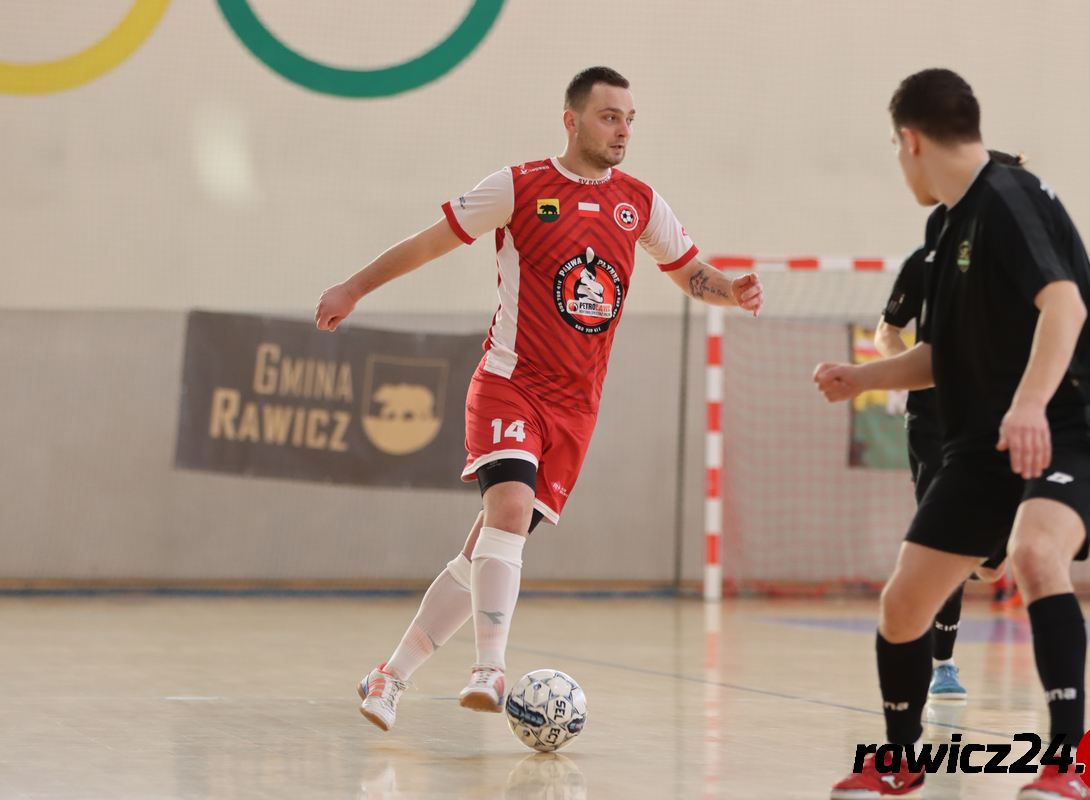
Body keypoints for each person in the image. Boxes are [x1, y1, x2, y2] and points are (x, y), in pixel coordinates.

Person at [315, 66, 763, 731]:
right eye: (610, 116)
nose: (622, 131)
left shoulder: (638, 201)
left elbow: (687, 270)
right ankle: (490, 668)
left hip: (576, 409)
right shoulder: (520, 187)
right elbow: (430, 242)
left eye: (630, 119)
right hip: (511, 381)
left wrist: (730, 289)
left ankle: (390, 677)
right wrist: (353, 288)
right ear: (572, 120)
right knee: (509, 504)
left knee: (482, 556)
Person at [817, 68, 1090, 799]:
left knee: (1033, 552)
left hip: (1076, 418)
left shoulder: (1008, 197)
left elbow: (1064, 306)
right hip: (989, 437)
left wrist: (1029, 405)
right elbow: (943, 356)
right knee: (905, 603)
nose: (901, 164)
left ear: (911, 139)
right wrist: (862, 379)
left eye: (896, 151)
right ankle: (898, 761)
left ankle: (1068, 765)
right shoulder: (945, 228)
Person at [873, 149, 1024, 705]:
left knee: (993, 557)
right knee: (946, 528)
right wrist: (903, 373)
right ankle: (943, 663)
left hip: (996, 418)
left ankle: (992, 557)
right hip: (934, 422)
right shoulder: (924, 263)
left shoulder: (1015, 266)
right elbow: (888, 331)